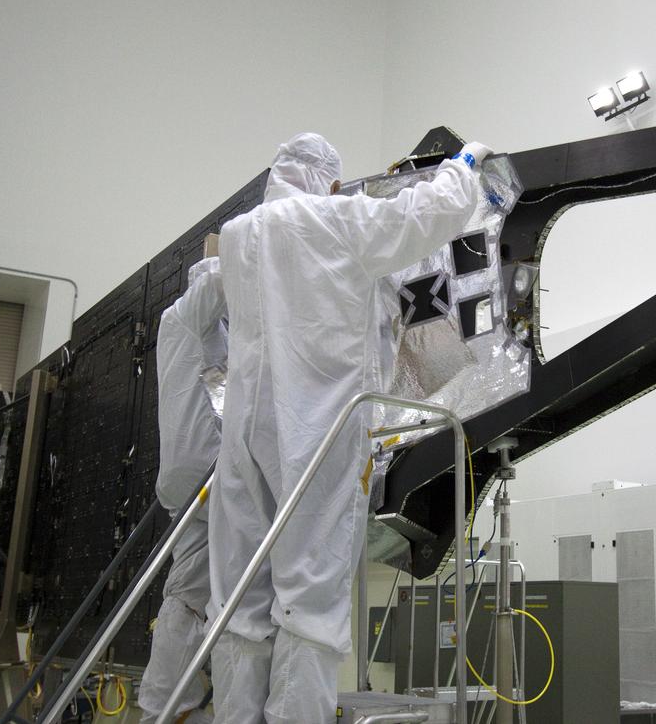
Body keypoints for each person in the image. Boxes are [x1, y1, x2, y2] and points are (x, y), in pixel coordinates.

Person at [206, 132, 488, 723]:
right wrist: (464, 167)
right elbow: (423, 216)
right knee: (309, 603)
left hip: (244, 440)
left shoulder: (236, 238)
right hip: (315, 432)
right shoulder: (335, 220)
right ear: (328, 182)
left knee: (240, 603)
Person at [136, 254, 227, 724]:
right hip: (207, 473)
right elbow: (224, 278)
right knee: (246, 583)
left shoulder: (196, 334)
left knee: (187, 592)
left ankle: (167, 707)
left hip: (189, 478)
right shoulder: (187, 315)